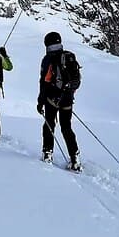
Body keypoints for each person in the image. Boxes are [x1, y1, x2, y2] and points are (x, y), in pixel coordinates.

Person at [37, 31, 81, 171]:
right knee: (66, 127)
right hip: (68, 99)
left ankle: (48, 153)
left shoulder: (48, 59)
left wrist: (40, 101)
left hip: (52, 99)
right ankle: (75, 158)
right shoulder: (69, 56)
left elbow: (44, 82)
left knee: (49, 124)